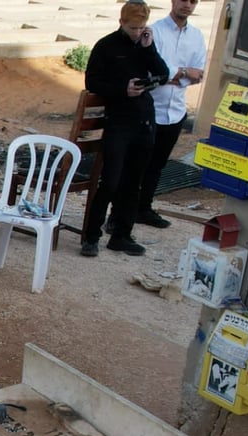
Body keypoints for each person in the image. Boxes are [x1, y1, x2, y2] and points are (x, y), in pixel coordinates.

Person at [82, 0, 169, 258]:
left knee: (134, 182)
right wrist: (123, 89)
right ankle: (91, 236)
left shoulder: (145, 44)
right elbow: (93, 82)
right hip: (119, 121)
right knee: (110, 181)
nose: (136, 32)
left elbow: (163, 74)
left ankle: (121, 234)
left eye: (140, 27)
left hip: (144, 121)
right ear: (121, 23)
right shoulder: (107, 46)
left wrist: (148, 48)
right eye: (132, 27)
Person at [133, 0, 206, 229]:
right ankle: (123, 212)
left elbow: (199, 74)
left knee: (157, 165)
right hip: (150, 108)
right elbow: (155, 70)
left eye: (193, 1)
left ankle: (144, 209)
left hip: (175, 112)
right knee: (136, 164)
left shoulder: (196, 36)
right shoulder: (155, 31)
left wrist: (173, 74)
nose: (188, 5)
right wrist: (182, 72)